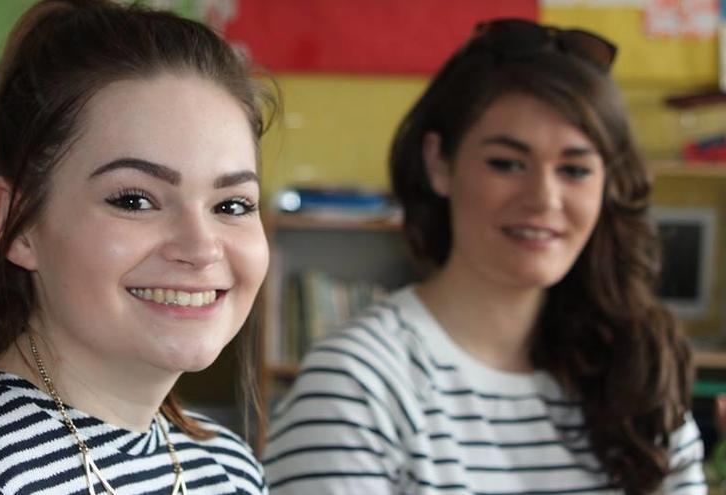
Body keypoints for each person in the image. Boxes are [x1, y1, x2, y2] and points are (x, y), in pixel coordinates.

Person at [263, 19, 706, 495]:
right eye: (507, 163)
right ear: (440, 164)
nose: (544, 199)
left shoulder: (637, 373)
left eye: (575, 169)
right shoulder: (357, 383)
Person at [0, 0, 275, 493]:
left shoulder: (228, 468)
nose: (201, 247)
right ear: (19, 225)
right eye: (134, 199)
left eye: (231, 205)